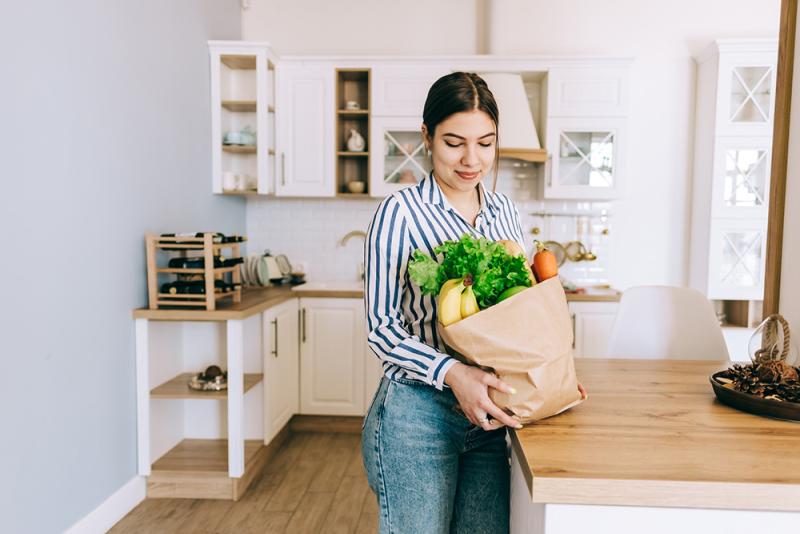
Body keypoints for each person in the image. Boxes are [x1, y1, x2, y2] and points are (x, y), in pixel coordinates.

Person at [361, 72, 523, 534]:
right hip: (417, 416)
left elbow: (518, 311)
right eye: (454, 142)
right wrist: (453, 374)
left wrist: (547, 376)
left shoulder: (505, 212)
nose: (472, 159)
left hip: (487, 418)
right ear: (427, 137)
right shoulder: (400, 212)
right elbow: (382, 326)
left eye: (486, 143)